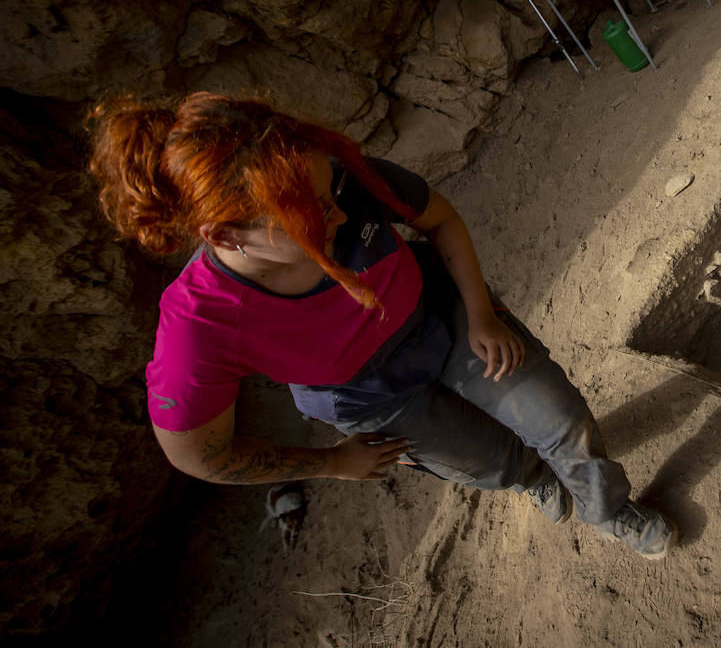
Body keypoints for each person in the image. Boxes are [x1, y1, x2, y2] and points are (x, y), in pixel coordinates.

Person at [87, 92, 677, 559]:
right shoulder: (198, 323)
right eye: (310, 215)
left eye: (330, 192)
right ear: (224, 235)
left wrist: (479, 311)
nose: (338, 214)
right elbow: (198, 455)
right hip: (365, 395)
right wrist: (329, 464)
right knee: (490, 461)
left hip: (436, 319)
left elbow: (439, 219)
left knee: (560, 419)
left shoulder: (337, 177)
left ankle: (605, 509)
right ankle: (530, 477)